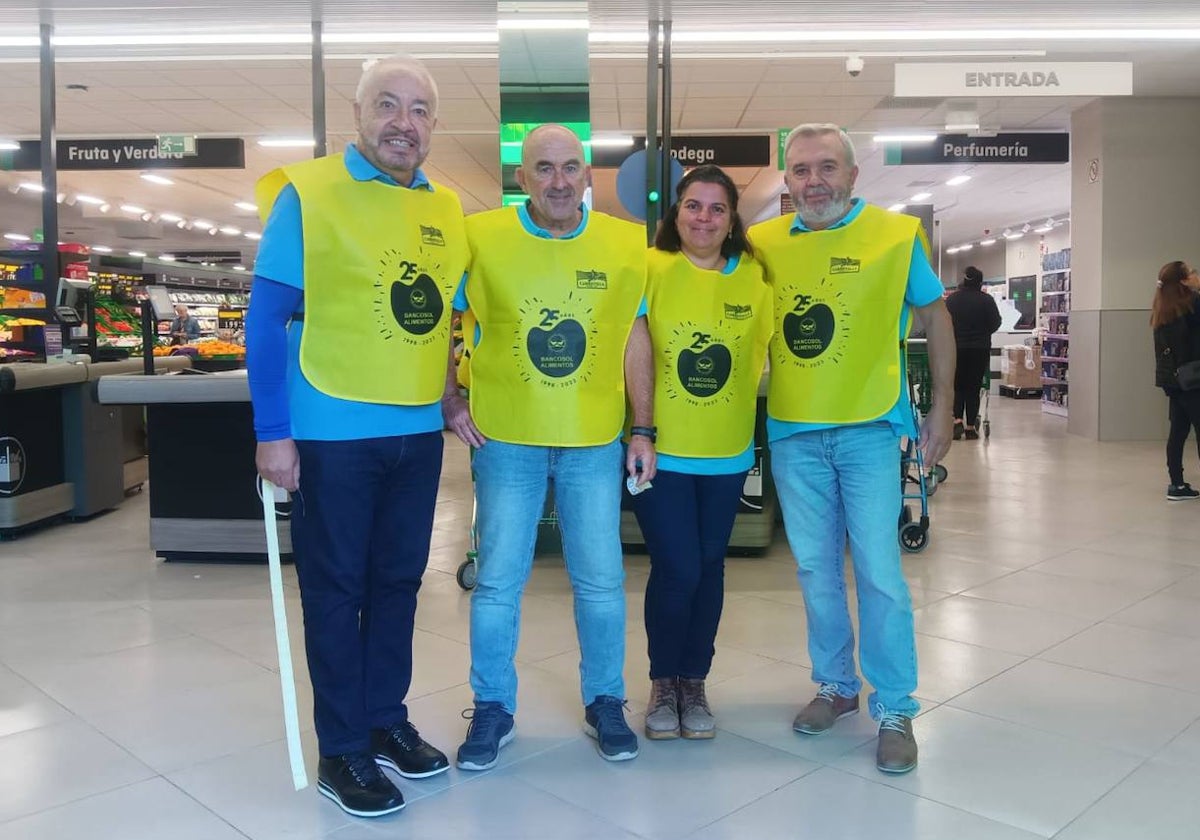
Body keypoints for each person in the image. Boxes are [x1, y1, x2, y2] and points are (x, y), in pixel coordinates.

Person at [246, 54, 468, 818]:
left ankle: (384, 720)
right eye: (387, 105)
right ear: (360, 114)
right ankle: (342, 748)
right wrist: (272, 434)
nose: (403, 123)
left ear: (433, 125)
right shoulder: (308, 194)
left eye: (418, 110)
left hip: (416, 432)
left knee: (399, 586)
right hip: (330, 432)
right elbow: (264, 320)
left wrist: (447, 398)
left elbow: (444, 319)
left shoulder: (446, 208)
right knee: (337, 592)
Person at [442, 123, 654, 770]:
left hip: (593, 439)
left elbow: (633, 338)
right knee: (499, 582)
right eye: (543, 168)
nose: (558, 181)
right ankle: (493, 708)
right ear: (521, 178)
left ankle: (606, 701)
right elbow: (443, 319)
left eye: (570, 168)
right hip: (507, 438)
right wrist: (449, 396)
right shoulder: (481, 238)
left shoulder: (625, 244)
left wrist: (641, 427)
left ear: (589, 175)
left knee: (601, 581)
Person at [751, 123, 955, 775]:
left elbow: (935, 316)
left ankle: (894, 705)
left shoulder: (897, 237)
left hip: (870, 427)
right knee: (814, 569)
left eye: (827, 167)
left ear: (853, 174)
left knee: (878, 572)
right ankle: (837, 686)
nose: (814, 181)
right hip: (793, 430)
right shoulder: (762, 242)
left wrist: (946, 403)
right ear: (786, 179)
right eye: (802, 170)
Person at [634, 165, 772, 741]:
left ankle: (695, 680)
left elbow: (764, 359)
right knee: (677, 567)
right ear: (676, 213)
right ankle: (663, 681)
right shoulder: (649, 269)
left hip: (727, 450)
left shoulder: (755, 281)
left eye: (717, 209)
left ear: (732, 219)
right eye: (693, 206)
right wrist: (641, 429)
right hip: (661, 450)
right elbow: (633, 347)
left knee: (709, 568)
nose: (704, 218)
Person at [1152, 260, 1200, 501]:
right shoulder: (1194, 304)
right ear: (1183, 281)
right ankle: (1178, 487)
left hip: (1174, 381)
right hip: (1195, 379)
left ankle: (1177, 485)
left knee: (1178, 432)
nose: (1196, 274)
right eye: (1191, 272)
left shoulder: (1163, 307)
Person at [946, 265, 1002, 440]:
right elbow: (996, 322)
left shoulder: (952, 300)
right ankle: (970, 427)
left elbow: (944, 322)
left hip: (956, 348)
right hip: (979, 349)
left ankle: (957, 422)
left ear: (964, 280)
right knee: (973, 387)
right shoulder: (986, 301)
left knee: (957, 386)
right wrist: (982, 333)